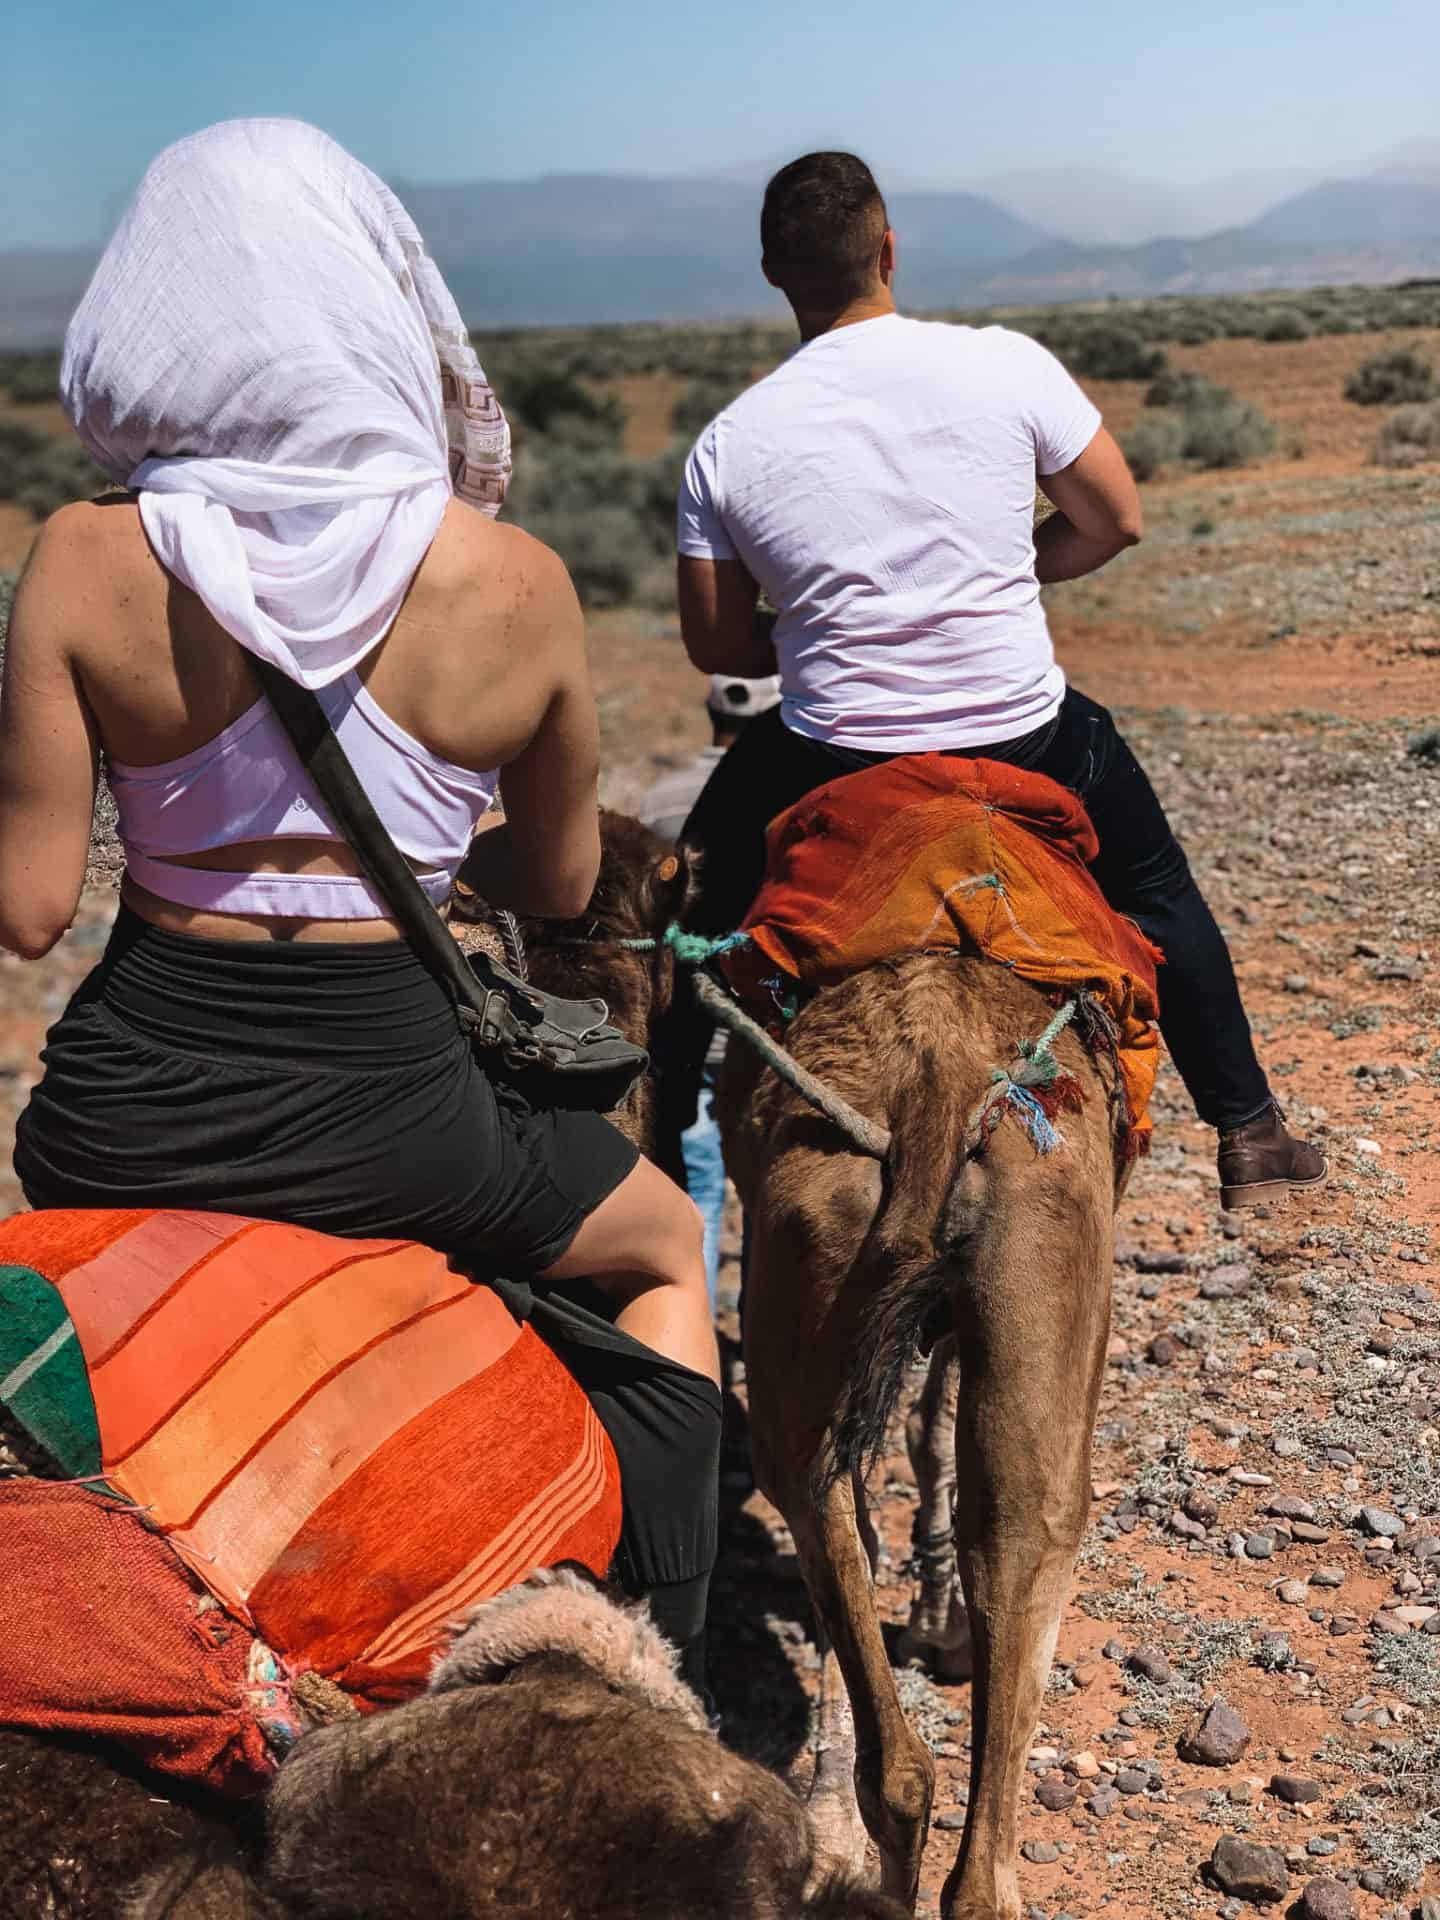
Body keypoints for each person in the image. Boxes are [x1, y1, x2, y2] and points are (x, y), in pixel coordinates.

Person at [0, 120, 719, 1686]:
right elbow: (566, 888)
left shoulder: (75, 560)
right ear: (379, 308)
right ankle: (662, 1667)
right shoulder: (513, 581)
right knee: (667, 1249)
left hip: (124, 1110)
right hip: (404, 1114)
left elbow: (34, 907)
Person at [671, 151, 1325, 1212]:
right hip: (1024, 736)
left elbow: (714, 643)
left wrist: (822, 634)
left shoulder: (728, 442)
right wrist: (1009, 573)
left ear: (773, 273)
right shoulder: (1005, 363)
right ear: (888, 250)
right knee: (1157, 893)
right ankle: (1249, 1128)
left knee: (685, 905)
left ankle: (653, 1133)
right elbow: (1117, 518)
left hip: (832, 748)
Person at [640, 670, 781, 1303]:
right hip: (762, 1027)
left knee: (694, 1187)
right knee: (768, 1193)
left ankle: (691, 1343)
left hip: (681, 1022)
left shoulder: (659, 801)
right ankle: (761, 1332)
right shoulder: (790, 797)